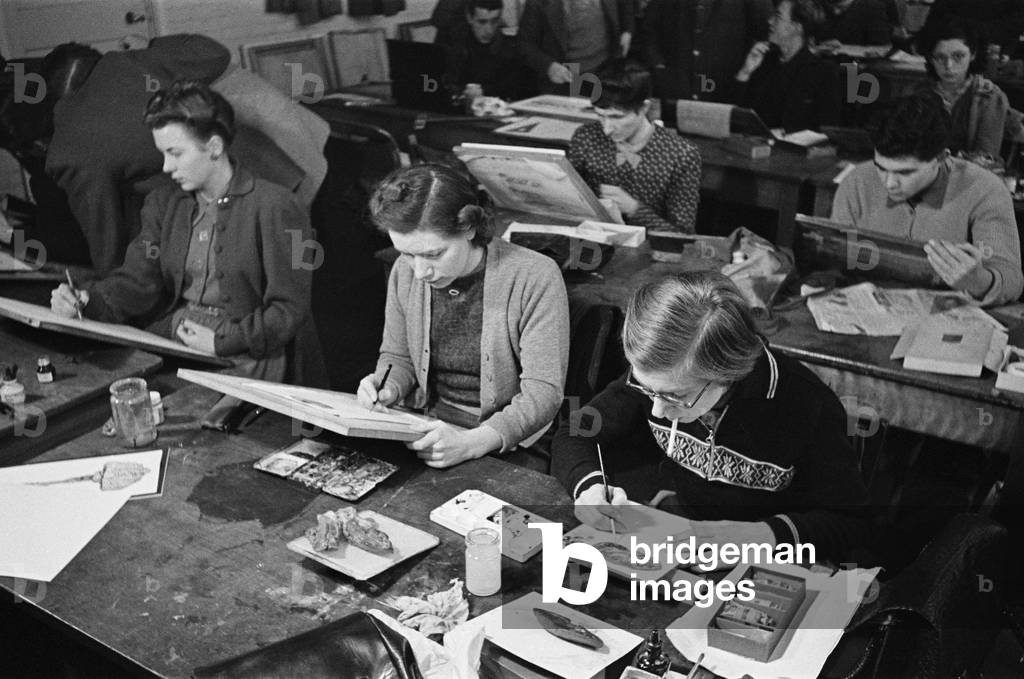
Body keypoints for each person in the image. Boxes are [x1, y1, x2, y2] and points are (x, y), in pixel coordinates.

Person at [551, 271, 872, 561]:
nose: (657, 410)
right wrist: (589, 489)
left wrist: (762, 536)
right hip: (682, 534)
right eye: (648, 390)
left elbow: (851, 524)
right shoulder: (660, 378)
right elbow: (575, 433)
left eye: (676, 396)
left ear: (729, 374)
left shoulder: (806, 404)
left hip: (774, 557)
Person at [50, 81, 323, 386]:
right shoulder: (164, 204)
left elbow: (288, 310)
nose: (166, 167)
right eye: (163, 154)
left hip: (248, 353)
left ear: (215, 147)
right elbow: (138, 280)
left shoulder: (275, 206)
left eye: (175, 153)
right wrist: (87, 300)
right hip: (178, 338)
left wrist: (221, 341)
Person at [34, 34, 327, 274]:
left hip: (242, 206)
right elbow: (215, 53)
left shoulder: (68, 151)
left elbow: (107, 244)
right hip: (278, 165)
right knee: (292, 286)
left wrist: (109, 297)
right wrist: (151, 44)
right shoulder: (125, 63)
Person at [356, 164, 570, 468]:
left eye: (433, 254)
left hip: (508, 438)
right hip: (427, 426)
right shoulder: (404, 273)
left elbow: (542, 394)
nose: (419, 271)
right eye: (406, 253)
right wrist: (386, 386)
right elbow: (398, 356)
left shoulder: (535, 276)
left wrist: (472, 443)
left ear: (469, 227)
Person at [831, 95, 1023, 306]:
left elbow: (1012, 280)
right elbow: (834, 257)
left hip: (948, 315)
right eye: (881, 168)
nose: (889, 183)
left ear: (940, 159)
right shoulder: (857, 181)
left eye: (905, 172)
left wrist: (979, 282)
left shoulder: (985, 190)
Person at [567, 59, 701, 232]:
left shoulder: (681, 155)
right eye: (600, 116)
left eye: (617, 117)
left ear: (644, 108)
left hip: (650, 251)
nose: (607, 129)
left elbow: (682, 237)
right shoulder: (585, 137)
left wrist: (634, 209)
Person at [917, 22, 1022, 165]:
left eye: (958, 56)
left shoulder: (988, 96)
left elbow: (985, 158)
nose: (949, 65)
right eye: (940, 57)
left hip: (970, 178)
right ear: (930, 58)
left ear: (972, 55)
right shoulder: (919, 93)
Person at [731, 0, 841, 132]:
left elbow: (827, 130)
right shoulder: (764, 62)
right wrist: (745, 72)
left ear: (797, 27)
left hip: (792, 150)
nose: (770, 21)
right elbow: (733, 115)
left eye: (777, 16)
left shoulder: (823, 72)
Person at [642, 0, 773, 102]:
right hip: (676, 86)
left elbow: (768, 33)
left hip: (723, 87)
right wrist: (659, 67)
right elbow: (649, 29)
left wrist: (742, 77)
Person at [518, 0, 634, 94]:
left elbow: (626, 6)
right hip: (567, 75)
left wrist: (627, 30)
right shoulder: (538, 3)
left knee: (609, 118)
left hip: (606, 70)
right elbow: (525, 44)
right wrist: (549, 66)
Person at [442, 0, 531, 101]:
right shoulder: (455, 46)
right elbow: (445, 83)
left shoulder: (511, 50)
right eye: (482, 22)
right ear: (469, 18)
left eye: (495, 21)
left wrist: (484, 91)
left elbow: (516, 89)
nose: (489, 29)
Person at [814, 0, 891, 49]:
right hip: (817, 68)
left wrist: (844, 49)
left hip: (858, 69)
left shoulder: (872, 8)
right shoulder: (811, 6)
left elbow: (882, 49)